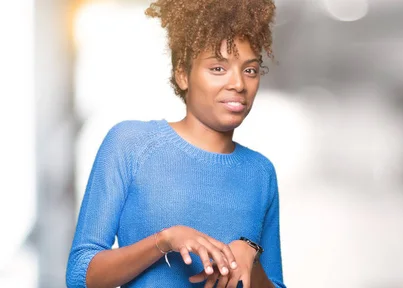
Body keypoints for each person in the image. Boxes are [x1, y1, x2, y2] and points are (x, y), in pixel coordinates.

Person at [66, 0, 284, 287]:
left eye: (250, 70)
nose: (239, 84)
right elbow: (80, 275)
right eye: (218, 68)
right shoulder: (130, 145)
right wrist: (164, 241)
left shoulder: (260, 173)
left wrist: (250, 261)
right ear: (183, 74)